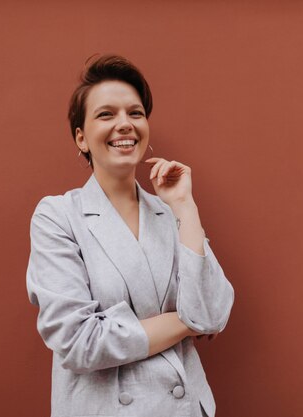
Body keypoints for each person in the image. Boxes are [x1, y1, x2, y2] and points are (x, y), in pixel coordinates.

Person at [26, 54, 234, 417]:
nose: (125, 124)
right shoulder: (58, 216)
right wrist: (188, 322)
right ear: (82, 138)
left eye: (135, 113)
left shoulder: (169, 213)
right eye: (106, 115)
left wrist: (186, 207)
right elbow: (80, 343)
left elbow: (215, 310)